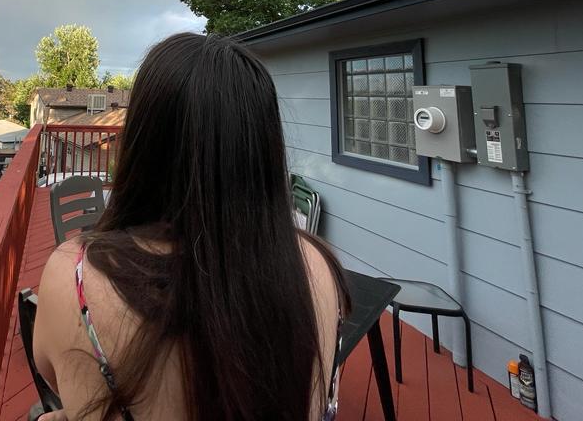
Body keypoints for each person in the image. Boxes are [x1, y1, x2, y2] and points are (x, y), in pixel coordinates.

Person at [33, 32, 348, 420]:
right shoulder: (319, 267)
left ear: (143, 141)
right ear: (263, 144)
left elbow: (54, 375)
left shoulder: (73, 275)